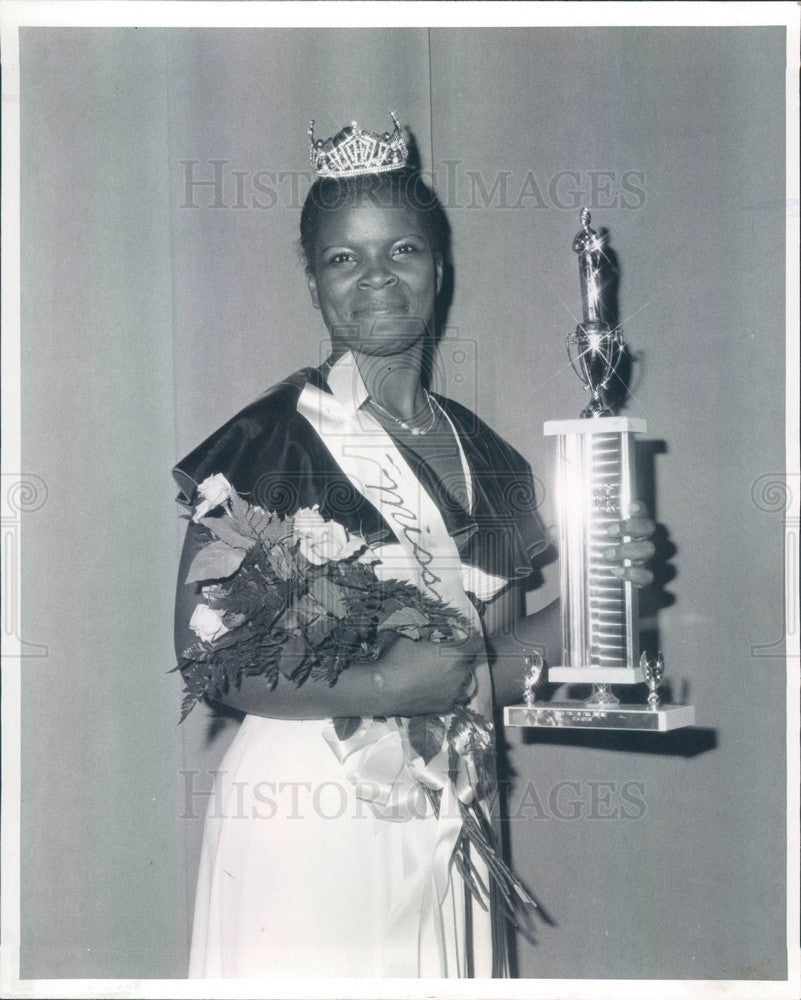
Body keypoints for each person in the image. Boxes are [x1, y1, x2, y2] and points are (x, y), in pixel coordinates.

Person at [172, 118, 655, 979]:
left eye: (401, 250)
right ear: (314, 284)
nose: (376, 279)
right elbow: (204, 656)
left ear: (440, 268)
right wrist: (386, 684)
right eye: (342, 258)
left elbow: (488, 669)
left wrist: (599, 596)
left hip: (449, 801)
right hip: (306, 814)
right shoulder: (269, 440)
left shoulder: (493, 460)